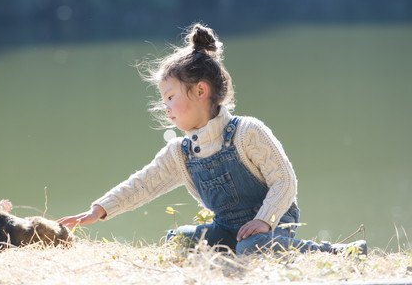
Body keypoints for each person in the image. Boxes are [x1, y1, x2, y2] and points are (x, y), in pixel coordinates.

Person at [58, 23, 366, 255]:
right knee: (177, 240)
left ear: (201, 91)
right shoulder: (181, 152)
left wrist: (265, 220)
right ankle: (236, 248)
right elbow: (144, 183)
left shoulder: (247, 133)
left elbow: (284, 180)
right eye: (163, 101)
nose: (165, 109)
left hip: (270, 225)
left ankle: (339, 253)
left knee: (255, 247)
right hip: (227, 229)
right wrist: (100, 209)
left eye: (170, 97)